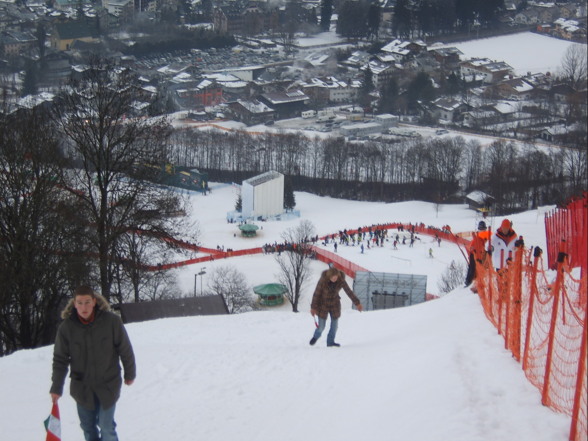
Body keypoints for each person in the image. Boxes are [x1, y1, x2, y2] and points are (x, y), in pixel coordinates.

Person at [50, 285, 136, 441]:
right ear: (74, 304)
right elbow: (60, 359)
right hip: (82, 388)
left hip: (108, 385)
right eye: (80, 303)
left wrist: (130, 373)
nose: (84, 307)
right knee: (88, 429)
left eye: (87, 302)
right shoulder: (66, 328)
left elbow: (125, 349)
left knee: (106, 426)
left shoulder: (112, 322)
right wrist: (56, 387)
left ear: (94, 302)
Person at [309, 267, 363, 347]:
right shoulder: (323, 281)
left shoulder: (341, 280)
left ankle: (330, 342)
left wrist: (357, 303)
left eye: (336, 278)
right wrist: (313, 308)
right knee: (321, 327)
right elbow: (316, 294)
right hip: (323, 305)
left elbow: (349, 292)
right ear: (329, 277)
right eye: (332, 278)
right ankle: (316, 336)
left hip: (334, 304)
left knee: (334, 326)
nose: (334, 279)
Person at [465, 221, 492, 287]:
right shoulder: (477, 237)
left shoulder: (484, 237)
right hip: (474, 255)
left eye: (483, 229)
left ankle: (471, 280)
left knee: (475, 267)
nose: (482, 231)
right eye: (481, 229)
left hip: (479, 255)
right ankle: (469, 281)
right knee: (472, 267)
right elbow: (472, 247)